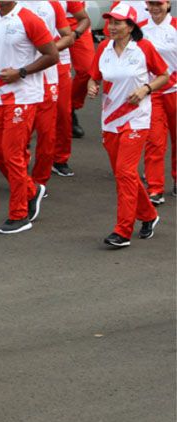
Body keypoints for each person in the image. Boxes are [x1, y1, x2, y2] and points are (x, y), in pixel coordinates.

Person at [0, 1, 58, 234]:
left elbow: (52, 55)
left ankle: (19, 215)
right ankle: (31, 190)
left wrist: (21, 72)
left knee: (13, 155)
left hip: (23, 96)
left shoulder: (29, 19)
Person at [88, 3, 168, 248]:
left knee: (124, 172)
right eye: (110, 22)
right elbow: (95, 76)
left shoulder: (143, 48)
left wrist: (146, 88)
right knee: (125, 174)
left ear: (130, 26)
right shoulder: (103, 47)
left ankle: (122, 230)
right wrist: (92, 85)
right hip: (111, 120)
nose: (111, 27)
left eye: (117, 23)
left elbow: (164, 75)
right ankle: (149, 214)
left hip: (136, 118)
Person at [21, 0, 73, 187]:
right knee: (20, 132)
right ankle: (21, 176)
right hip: (21, 76)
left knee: (46, 132)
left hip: (48, 76)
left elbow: (68, 36)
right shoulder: (12, 5)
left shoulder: (53, 4)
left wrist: (49, 50)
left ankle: (39, 181)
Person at [138, 0, 177, 203]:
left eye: (158, 3)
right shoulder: (141, 29)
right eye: (151, 3)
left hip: (175, 91)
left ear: (168, 4)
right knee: (154, 141)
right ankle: (155, 188)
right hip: (153, 93)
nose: (155, 7)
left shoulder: (175, 27)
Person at [52, 0, 90, 177]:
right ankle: (22, 150)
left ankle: (60, 158)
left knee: (62, 110)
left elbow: (83, 18)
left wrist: (74, 35)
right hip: (31, 54)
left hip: (62, 47)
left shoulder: (56, 4)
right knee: (32, 107)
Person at [68, 0, 94, 140]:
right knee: (48, 72)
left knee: (88, 69)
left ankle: (69, 109)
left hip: (79, 20)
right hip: (49, 18)